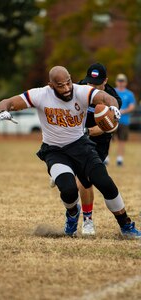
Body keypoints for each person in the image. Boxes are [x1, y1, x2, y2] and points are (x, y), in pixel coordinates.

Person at [0, 66, 141, 238]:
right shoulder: (40, 94)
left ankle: (126, 225)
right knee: (68, 189)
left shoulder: (81, 91)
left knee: (105, 182)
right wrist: (3, 111)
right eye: (60, 85)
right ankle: (72, 214)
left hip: (80, 146)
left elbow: (105, 97)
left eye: (68, 83)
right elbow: (8, 102)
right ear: (51, 85)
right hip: (55, 151)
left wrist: (113, 107)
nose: (66, 89)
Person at [77, 63, 122, 236]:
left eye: (97, 85)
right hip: (77, 137)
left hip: (99, 141)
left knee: (86, 179)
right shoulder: (78, 87)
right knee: (77, 180)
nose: (92, 88)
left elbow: (109, 127)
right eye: (90, 84)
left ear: (106, 81)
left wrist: (86, 131)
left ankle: (87, 221)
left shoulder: (113, 98)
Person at [115, 73, 136, 166]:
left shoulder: (129, 94)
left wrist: (122, 111)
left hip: (124, 121)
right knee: (108, 139)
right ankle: (106, 158)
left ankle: (120, 159)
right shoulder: (113, 92)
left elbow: (132, 107)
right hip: (112, 120)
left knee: (122, 140)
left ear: (125, 83)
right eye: (119, 81)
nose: (121, 83)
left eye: (122, 81)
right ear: (116, 82)